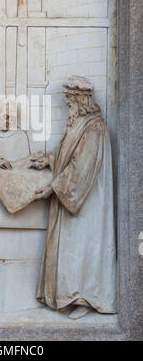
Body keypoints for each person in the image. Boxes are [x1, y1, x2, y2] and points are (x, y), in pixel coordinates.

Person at [32, 76, 116, 319]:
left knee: (82, 248)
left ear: (81, 100)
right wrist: (48, 159)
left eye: (70, 101)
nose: (68, 106)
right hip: (72, 194)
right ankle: (69, 295)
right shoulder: (79, 123)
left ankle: (86, 298)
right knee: (71, 250)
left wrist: (52, 187)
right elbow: (67, 152)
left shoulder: (95, 127)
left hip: (86, 201)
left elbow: (81, 167)